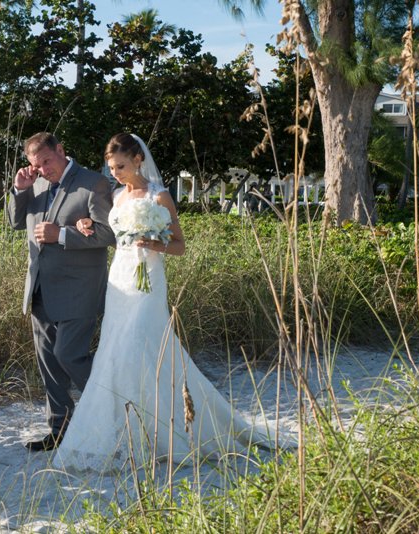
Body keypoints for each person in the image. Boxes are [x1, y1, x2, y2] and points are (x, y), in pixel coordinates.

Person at [54, 133, 282, 473]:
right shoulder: (115, 196)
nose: (115, 173)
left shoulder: (159, 196)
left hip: (149, 282)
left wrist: (151, 242)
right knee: (115, 352)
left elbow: (179, 246)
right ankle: (125, 428)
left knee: (138, 344)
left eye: (120, 166)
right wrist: (85, 224)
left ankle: (162, 429)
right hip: (120, 280)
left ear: (137, 160)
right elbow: (112, 237)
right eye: (111, 167)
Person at [6, 132, 115, 452]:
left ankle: (114, 409)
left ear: (61, 150)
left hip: (79, 288)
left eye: (47, 161)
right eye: (36, 165)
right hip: (40, 286)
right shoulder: (35, 184)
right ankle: (60, 429)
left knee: (69, 355)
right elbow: (15, 222)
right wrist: (19, 190)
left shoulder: (93, 183)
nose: (43, 169)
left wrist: (63, 235)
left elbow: (110, 233)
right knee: (49, 365)